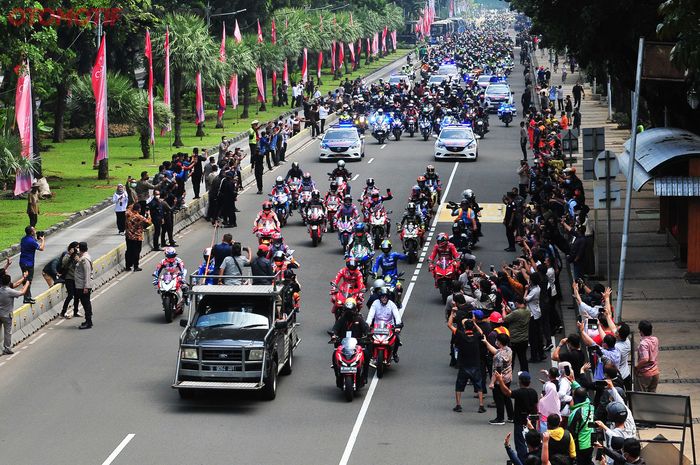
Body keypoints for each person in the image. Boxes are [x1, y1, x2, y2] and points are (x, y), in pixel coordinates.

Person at [494, 370, 539, 464]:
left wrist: (500, 381)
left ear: (519, 382)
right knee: (532, 442)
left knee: (521, 443)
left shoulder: (519, 392)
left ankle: (522, 462)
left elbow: (507, 392)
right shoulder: (534, 392)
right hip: (531, 421)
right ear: (529, 382)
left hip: (520, 422)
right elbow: (536, 406)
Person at [447, 309, 486, 414]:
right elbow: (481, 332)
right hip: (475, 364)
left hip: (464, 365)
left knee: (459, 385)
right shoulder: (476, 336)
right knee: (479, 385)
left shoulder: (460, 335)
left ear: (464, 327)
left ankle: (458, 405)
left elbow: (449, 325)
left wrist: (452, 314)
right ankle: (481, 405)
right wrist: (474, 323)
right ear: (473, 327)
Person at [475, 324, 513, 425]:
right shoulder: (508, 350)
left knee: (499, 399)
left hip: (500, 380)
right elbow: (496, 351)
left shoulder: (498, 357)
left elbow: (497, 371)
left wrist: (492, 383)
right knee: (507, 397)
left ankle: (500, 418)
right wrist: (486, 342)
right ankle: (511, 416)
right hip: (508, 378)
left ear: (499, 342)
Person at [330, 298, 371, 384]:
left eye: (351, 310)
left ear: (355, 309)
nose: (349, 313)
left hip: (357, 345)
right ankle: (338, 376)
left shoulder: (359, 319)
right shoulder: (341, 320)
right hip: (343, 345)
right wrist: (334, 334)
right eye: (347, 310)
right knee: (334, 355)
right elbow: (335, 329)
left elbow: (366, 328)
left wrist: (368, 334)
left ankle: (364, 376)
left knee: (367, 354)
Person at [366, 287, 402, 362]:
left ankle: (394, 353)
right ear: (380, 297)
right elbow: (370, 315)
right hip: (376, 327)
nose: (384, 298)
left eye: (386, 297)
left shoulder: (392, 304)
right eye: (382, 297)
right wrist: (368, 324)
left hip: (389, 327)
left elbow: (397, 315)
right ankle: (369, 355)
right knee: (368, 339)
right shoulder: (375, 303)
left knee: (397, 339)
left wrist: (398, 325)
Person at [0, 273, 30, 354]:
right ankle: (7, 348)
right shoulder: (10, 291)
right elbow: (22, 292)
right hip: (6, 315)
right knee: (7, 332)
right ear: (9, 282)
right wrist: (27, 284)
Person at [567, 385, 595, 465]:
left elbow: (571, 431)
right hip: (591, 442)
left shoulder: (576, 412)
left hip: (581, 444)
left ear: (575, 399)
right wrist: (573, 382)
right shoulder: (591, 406)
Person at [19, 226, 45, 304]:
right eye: (34, 230)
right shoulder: (31, 241)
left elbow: (33, 241)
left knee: (26, 280)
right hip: (28, 263)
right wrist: (43, 240)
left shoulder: (24, 239)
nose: (35, 231)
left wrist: (37, 238)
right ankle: (26, 298)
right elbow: (41, 248)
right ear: (31, 232)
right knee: (28, 280)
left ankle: (28, 296)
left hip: (23, 262)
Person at [505, 299, 531, 372]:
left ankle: (509, 375)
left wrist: (503, 310)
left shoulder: (516, 312)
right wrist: (511, 312)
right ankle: (525, 375)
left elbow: (505, 318)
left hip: (514, 340)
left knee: (511, 359)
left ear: (516, 303)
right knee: (523, 358)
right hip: (524, 339)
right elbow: (517, 316)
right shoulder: (528, 311)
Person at [124, 203, 151, 272]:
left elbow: (129, 207)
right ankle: (136, 266)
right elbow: (149, 222)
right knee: (136, 252)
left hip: (128, 236)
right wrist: (148, 214)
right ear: (139, 209)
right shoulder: (139, 217)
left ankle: (128, 266)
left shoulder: (128, 213)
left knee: (129, 251)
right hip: (137, 237)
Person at [635, 320, 659, 392]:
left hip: (645, 374)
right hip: (655, 372)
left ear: (641, 331)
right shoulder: (655, 339)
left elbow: (645, 359)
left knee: (641, 396)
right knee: (651, 396)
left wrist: (637, 367)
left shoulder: (643, 344)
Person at [74, 242, 93, 329]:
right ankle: (87, 320)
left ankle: (89, 322)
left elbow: (87, 273)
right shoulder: (82, 258)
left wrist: (86, 286)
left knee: (86, 304)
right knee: (85, 303)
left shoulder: (85, 259)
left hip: (83, 286)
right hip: (80, 285)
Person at [60, 242, 80, 318]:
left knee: (77, 296)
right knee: (70, 295)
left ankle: (76, 311)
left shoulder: (78, 256)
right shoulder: (67, 256)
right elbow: (64, 264)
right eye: (76, 247)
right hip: (69, 278)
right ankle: (63, 312)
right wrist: (70, 255)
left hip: (76, 278)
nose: (77, 249)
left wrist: (78, 260)